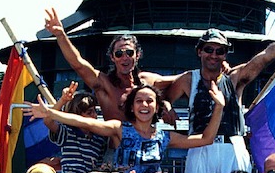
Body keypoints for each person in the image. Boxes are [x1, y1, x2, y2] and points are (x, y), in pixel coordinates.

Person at [167, 9, 275, 173]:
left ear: (225, 54)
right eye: (209, 49)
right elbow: (161, 95)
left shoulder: (234, 78)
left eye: (220, 51)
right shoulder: (188, 80)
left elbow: (266, 56)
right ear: (199, 51)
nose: (214, 55)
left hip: (233, 147)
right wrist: (166, 106)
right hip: (199, 148)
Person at [26, 83, 224, 173]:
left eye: (149, 101)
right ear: (132, 106)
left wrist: (219, 108)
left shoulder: (165, 137)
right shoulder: (119, 129)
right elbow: (83, 121)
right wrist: (52, 112)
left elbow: (205, 139)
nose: (144, 105)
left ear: (157, 107)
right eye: (139, 101)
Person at [44, 7, 177, 122]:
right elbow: (78, 63)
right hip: (115, 148)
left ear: (137, 55)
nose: (124, 57)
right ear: (113, 58)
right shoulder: (104, 84)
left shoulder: (148, 80)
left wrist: (166, 104)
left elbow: (185, 79)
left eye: (129, 53)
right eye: (119, 54)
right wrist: (61, 35)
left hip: (145, 147)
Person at [43, 82, 109, 173]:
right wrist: (62, 100)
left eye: (94, 112)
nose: (94, 116)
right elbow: (48, 121)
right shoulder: (68, 132)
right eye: (89, 112)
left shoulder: (100, 138)